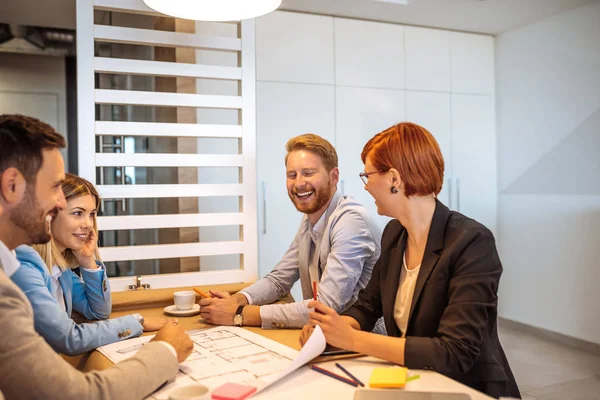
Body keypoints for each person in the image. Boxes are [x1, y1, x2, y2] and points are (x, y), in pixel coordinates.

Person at [300, 122, 520, 399]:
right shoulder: (394, 234)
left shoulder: (472, 242)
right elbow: (369, 305)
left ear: (394, 179)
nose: (366, 186)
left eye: (367, 175)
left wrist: (353, 339)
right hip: (414, 381)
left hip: (468, 389)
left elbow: (455, 352)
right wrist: (335, 329)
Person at [0, 114, 193, 400]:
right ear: (12, 185)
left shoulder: (42, 267)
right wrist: (163, 350)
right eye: (54, 186)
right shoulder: (13, 280)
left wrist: (89, 262)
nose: (60, 202)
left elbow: (96, 312)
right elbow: (77, 390)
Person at [200, 134, 383, 330]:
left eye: (308, 173)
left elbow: (325, 306)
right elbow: (279, 280)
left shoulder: (351, 222)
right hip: (325, 338)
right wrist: (237, 300)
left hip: (365, 346)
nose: (298, 184)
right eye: (292, 175)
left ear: (334, 176)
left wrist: (239, 314)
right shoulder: (311, 218)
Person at [11, 173, 167, 356]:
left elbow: (98, 311)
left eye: (91, 214)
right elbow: (68, 338)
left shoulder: (59, 269)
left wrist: (87, 261)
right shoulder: (24, 264)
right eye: (78, 213)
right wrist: (136, 321)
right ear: (48, 216)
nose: (88, 224)